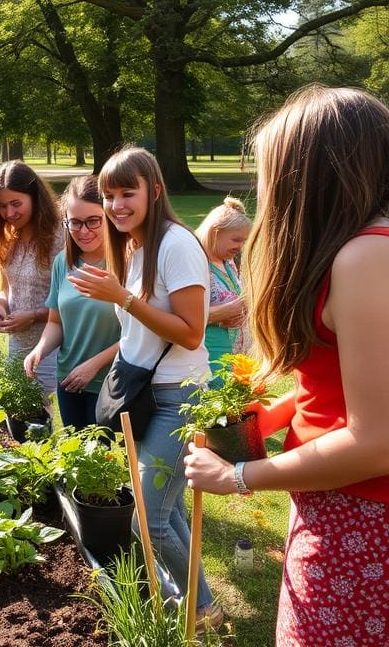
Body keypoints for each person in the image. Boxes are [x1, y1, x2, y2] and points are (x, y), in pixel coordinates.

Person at [185, 86, 389, 646]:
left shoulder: (367, 256)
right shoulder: (362, 249)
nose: (269, 190)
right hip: (336, 506)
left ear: (315, 172)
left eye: (276, 171)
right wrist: (263, 422)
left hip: (364, 524)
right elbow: (348, 387)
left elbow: (377, 441)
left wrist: (239, 477)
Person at [69, 146, 219, 629]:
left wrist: (123, 298)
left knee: (147, 520)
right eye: (109, 195)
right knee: (165, 509)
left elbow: (191, 332)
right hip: (147, 394)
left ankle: (203, 611)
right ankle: (192, 599)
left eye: (126, 192)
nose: (115, 205)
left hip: (179, 396)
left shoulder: (176, 244)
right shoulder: (135, 245)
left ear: (154, 191)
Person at [24, 175, 120, 429]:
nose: (84, 231)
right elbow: (56, 321)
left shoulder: (126, 263)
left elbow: (141, 334)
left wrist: (95, 364)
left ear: (109, 216)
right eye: (75, 223)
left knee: (109, 461)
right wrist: (40, 350)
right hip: (68, 382)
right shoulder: (63, 263)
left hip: (111, 384)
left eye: (93, 221)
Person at [0, 161, 63, 407]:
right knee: (16, 415)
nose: (9, 213)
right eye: (3, 206)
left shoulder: (59, 236)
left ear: (35, 197)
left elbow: (74, 299)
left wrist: (34, 315)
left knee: (40, 417)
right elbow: (7, 287)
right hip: (17, 344)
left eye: (16, 204)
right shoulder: (8, 235)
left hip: (53, 346)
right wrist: (0, 305)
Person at [195, 197, 251, 375]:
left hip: (235, 360)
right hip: (210, 360)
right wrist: (227, 310)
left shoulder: (228, 262)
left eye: (243, 241)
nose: (240, 246)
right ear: (215, 233)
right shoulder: (196, 262)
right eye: (236, 240)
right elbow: (180, 317)